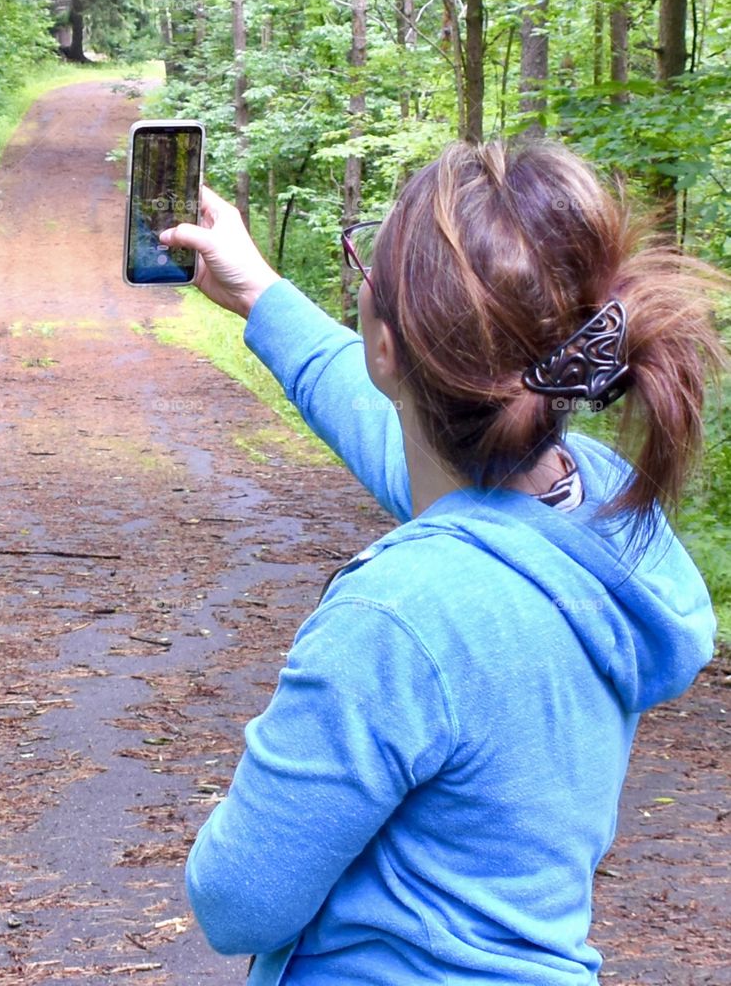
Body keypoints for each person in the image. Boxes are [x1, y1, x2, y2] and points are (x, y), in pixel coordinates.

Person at [158, 137, 723, 985]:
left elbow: (241, 902)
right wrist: (260, 295)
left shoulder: (396, 617)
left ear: (385, 346)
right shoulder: (600, 511)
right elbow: (397, 436)